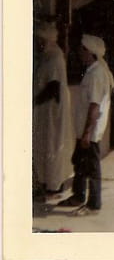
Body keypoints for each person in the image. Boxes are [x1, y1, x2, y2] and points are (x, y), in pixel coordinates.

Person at [57, 34, 114, 215]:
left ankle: (93, 204)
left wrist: (87, 133)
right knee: (80, 163)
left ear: (89, 52)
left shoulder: (97, 74)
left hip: (90, 131)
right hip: (83, 129)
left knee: (91, 166)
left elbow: (94, 107)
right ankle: (78, 196)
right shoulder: (92, 71)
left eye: (82, 50)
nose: (79, 53)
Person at [33, 21, 75, 199]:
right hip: (45, 110)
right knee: (45, 144)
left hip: (52, 110)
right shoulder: (47, 55)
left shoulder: (55, 57)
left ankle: (53, 186)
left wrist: (34, 101)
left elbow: (53, 86)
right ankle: (46, 183)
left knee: (53, 145)